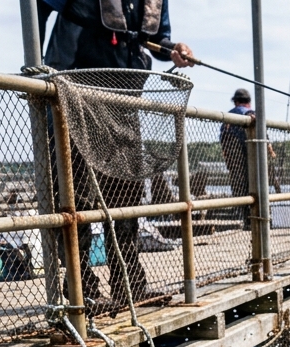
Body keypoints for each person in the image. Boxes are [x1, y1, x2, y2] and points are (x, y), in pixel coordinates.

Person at [44, 0, 197, 313]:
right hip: (77, 99)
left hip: (126, 102)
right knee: (77, 200)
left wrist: (173, 49)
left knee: (126, 199)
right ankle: (80, 287)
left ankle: (129, 284)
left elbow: (156, 41)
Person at [220, 88, 254, 228]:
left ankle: (247, 220)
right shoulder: (249, 112)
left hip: (235, 160)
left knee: (240, 188)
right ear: (249, 102)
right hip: (252, 157)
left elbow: (223, 137)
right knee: (255, 186)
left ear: (235, 101)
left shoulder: (228, 116)